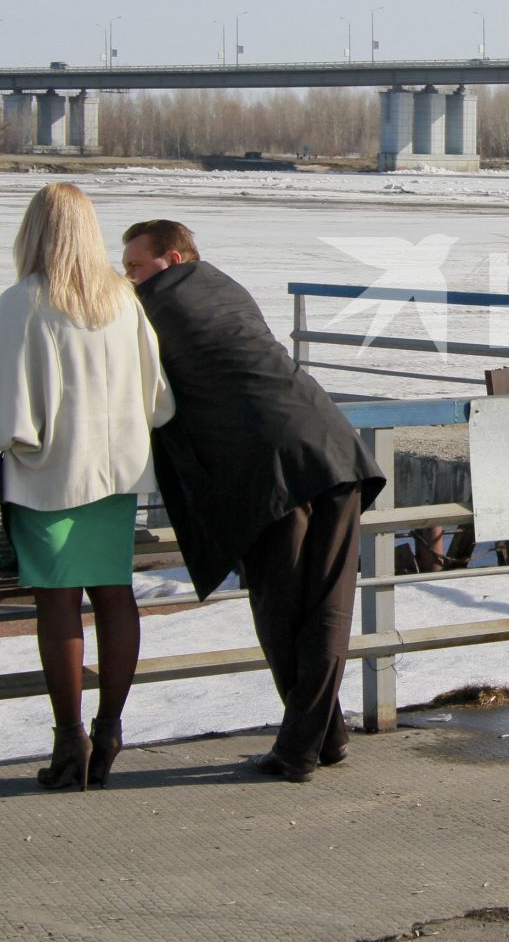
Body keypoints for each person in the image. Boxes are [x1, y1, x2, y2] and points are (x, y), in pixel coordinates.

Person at [121, 219, 386, 782]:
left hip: (268, 469)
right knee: (327, 604)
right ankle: (323, 736)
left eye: (136, 267)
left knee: (280, 606)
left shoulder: (153, 306)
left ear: (171, 259)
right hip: (332, 445)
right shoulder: (225, 286)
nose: (129, 279)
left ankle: (298, 749)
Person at [0, 183, 175, 790]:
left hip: (50, 473)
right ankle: (111, 726)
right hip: (117, 473)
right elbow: (157, 398)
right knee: (115, 596)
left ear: (34, 232)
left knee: (57, 604)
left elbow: (0, 413)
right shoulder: (123, 301)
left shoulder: (25, 301)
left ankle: (69, 741)